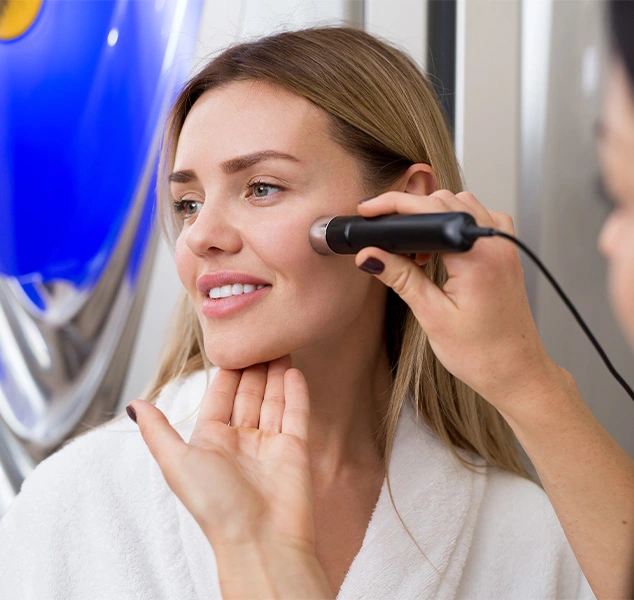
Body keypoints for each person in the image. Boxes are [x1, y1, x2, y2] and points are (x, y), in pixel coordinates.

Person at [0, 21, 613, 600]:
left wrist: (526, 379)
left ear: (405, 211)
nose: (198, 236)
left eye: (261, 187)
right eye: (187, 202)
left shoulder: (531, 537)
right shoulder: (77, 500)